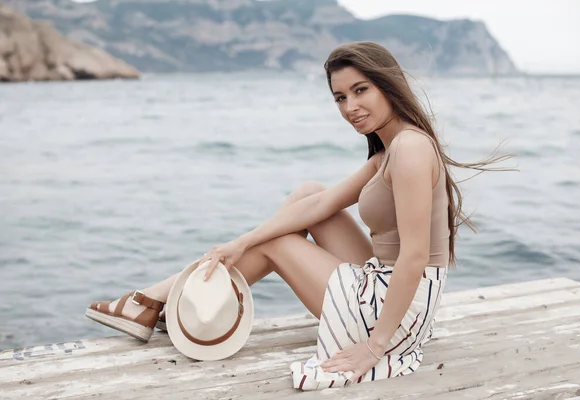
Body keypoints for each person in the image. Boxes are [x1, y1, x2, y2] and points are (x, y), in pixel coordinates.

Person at [85, 41, 508, 389]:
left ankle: (161, 301)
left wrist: (375, 348)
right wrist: (240, 242)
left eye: (361, 90)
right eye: (340, 97)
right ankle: (165, 297)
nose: (349, 107)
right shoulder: (388, 150)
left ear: (387, 85)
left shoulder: (411, 149)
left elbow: (414, 257)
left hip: (396, 306)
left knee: (279, 243)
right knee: (309, 192)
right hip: (386, 282)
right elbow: (321, 206)